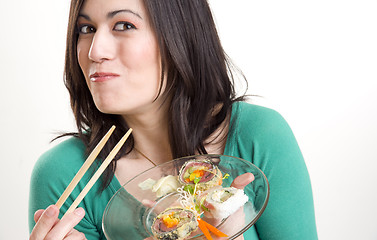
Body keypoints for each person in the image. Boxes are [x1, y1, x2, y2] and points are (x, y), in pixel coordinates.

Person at [29, 0, 318, 239]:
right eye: (86, 28)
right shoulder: (65, 173)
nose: (95, 51)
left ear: (181, 34)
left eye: (124, 25)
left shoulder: (259, 135)